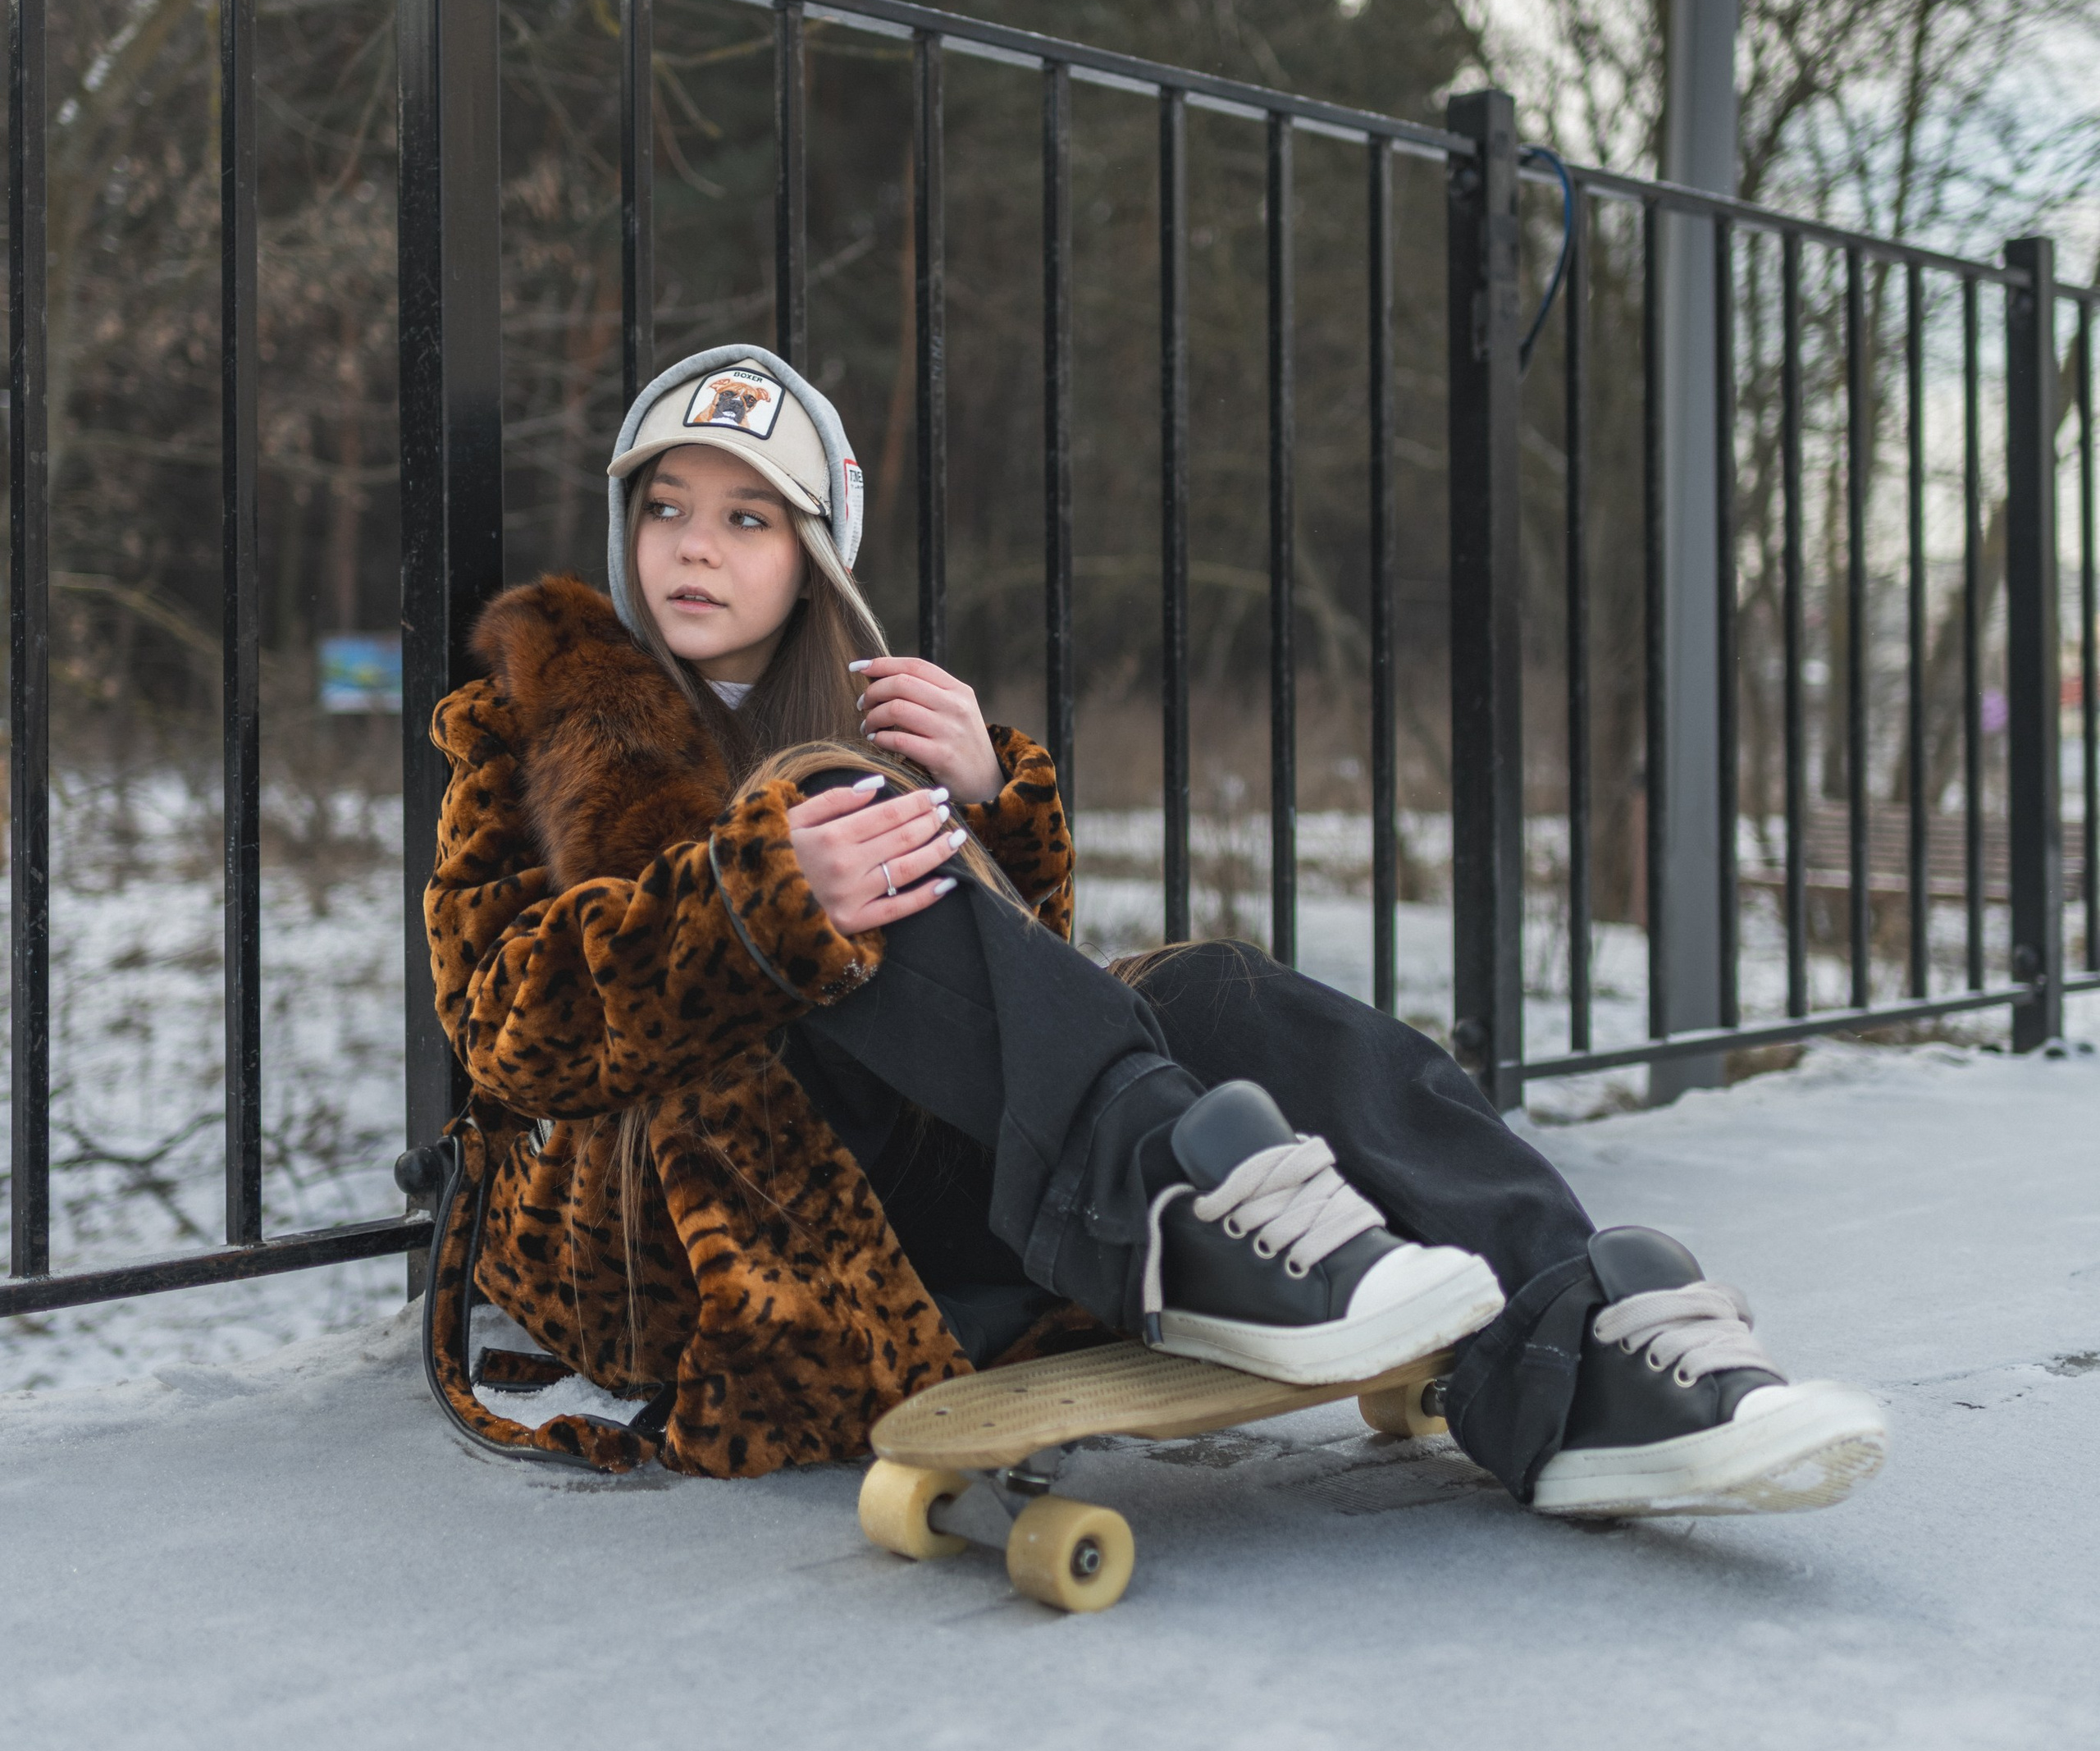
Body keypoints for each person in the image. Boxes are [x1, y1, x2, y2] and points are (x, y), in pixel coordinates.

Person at [422, 346, 1888, 1519]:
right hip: (709, 1239)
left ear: (814, 556)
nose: (695, 546)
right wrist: (752, 903)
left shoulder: (871, 723)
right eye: (666, 505)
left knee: (1216, 992)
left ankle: (1592, 1355)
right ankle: (1192, 1224)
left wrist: (989, 812)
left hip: (921, 1210)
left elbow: (1023, 1011)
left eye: (748, 516)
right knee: (827, 818)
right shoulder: (533, 728)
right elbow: (499, 1028)